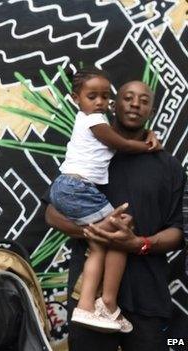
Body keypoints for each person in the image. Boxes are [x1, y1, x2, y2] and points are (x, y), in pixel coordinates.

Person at [45, 80, 185, 351]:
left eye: (143, 101)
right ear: (113, 105)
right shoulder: (91, 152)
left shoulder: (169, 166)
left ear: (152, 110)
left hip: (148, 296)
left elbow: (179, 232)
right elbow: (51, 213)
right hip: (88, 295)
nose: (135, 104)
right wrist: (95, 232)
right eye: (128, 98)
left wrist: (138, 243)